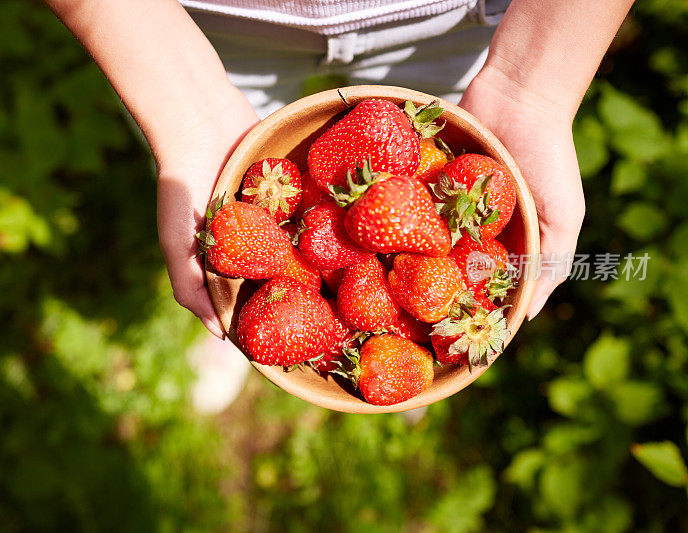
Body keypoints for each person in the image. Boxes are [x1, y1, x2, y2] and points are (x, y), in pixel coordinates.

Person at [44, 0, 634, 413]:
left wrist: (533, 86)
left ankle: (366, 350)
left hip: (457, 19)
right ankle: (250, 329)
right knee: (215, 182)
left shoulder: (427, 212)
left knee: (443, 132)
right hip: (187, 24)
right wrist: (184, 111)